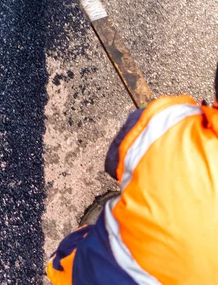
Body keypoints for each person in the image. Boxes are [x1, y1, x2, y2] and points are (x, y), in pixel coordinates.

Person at [47, 68, 218, 284]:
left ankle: (58, 270)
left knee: (76, 259)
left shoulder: (170, 120)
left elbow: (114, 161)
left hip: (99, 273)